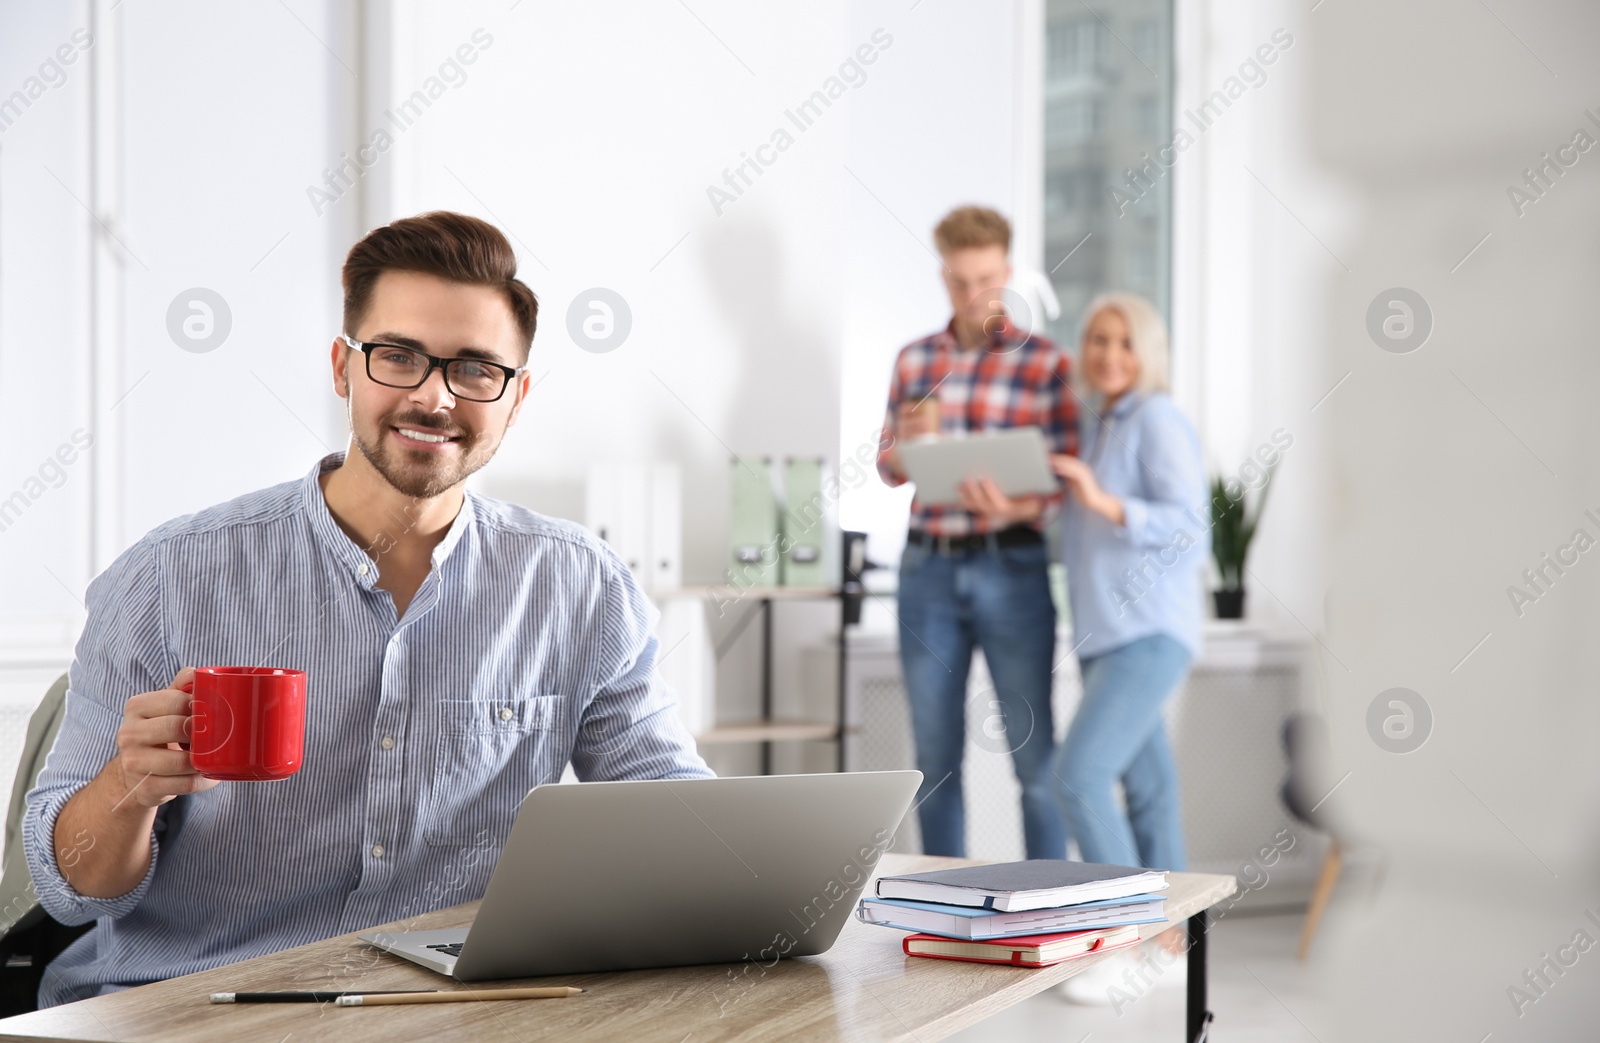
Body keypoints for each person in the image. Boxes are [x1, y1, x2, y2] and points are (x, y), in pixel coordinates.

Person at [21, 212, 713, 1007]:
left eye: (476, 370)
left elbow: (682, 828)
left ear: (516, 398)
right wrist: (128, 789)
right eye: (399, 357)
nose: (433, 395)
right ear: (343, 368)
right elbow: (68, 890)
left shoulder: (580, 588)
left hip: (443, 1009)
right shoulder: (168, 578)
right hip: (189, 1003)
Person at [876, 206, 1077, 859]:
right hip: (927, 571)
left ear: (1008, 271)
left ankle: (1053, 919)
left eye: (986, 277)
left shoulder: (1045, 363)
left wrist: (1013, 508)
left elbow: (1065, 479)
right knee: (934, 760)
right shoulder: (914, 361)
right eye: (960, 281)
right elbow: (886, 465)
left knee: (1034, 759)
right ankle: (946, 917)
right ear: (942, 276)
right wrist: (911, 451)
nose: (973, 294)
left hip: (1012, 567)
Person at [1047, 292, 1206, 993]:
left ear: (1147, 354)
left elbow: (1190, 525)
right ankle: (1173, 949)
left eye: (1124, 342)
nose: (1109, 354)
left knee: (1076, 776)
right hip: (1103, 635)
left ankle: (1122, 942)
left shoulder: (1156, 418)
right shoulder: (1094, 422)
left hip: (1149, 634)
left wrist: (1107, 502)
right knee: (1148, 789)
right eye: (1097, 340)